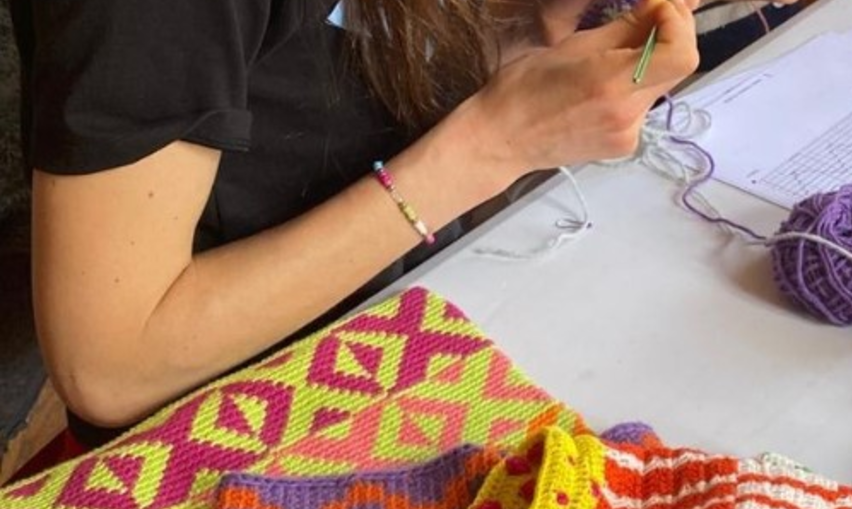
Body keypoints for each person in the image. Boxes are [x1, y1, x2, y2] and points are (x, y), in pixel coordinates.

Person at [8, 0, 702, 452]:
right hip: (210, 431)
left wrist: (543, 31)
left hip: (385, 336)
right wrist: (495, 143)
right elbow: (110, 364)